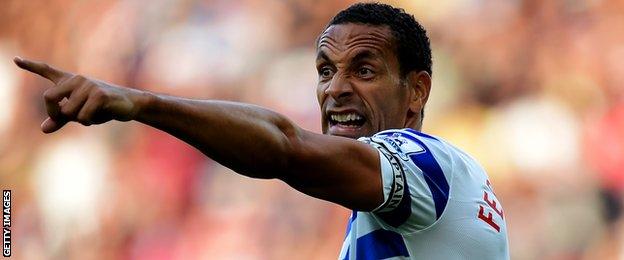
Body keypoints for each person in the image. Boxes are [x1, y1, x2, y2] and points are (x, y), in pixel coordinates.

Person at [15, 3, 509, 259]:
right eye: (324, 70)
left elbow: (285, 148)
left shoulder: (428, 163)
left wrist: (139, 102)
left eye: (363, 70)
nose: (334, 89)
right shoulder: (411, 204)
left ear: (417, 91)